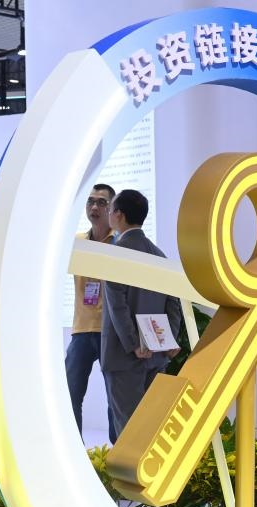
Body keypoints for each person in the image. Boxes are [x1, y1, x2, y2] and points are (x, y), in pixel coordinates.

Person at [101, 190, 182, 439]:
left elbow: (117, 304)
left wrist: (134, 343)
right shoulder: (158, 255)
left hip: (124, 356)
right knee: (152, 430)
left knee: (129, 432)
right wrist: (168, 340)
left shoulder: (116, 254)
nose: (108, 214)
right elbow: (173, 302)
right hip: (156, 356)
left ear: (119, 215)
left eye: (110, 209)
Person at [66, 183, 116, 439]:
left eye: (101, 202)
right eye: (90, 201)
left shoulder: (120, 242)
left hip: (112, 330)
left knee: (115, 397)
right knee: (70, 394)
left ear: (112, 208)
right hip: (82, 329)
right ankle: (74, 447)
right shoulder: (76, 242)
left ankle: (117, 450)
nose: (94, 207)